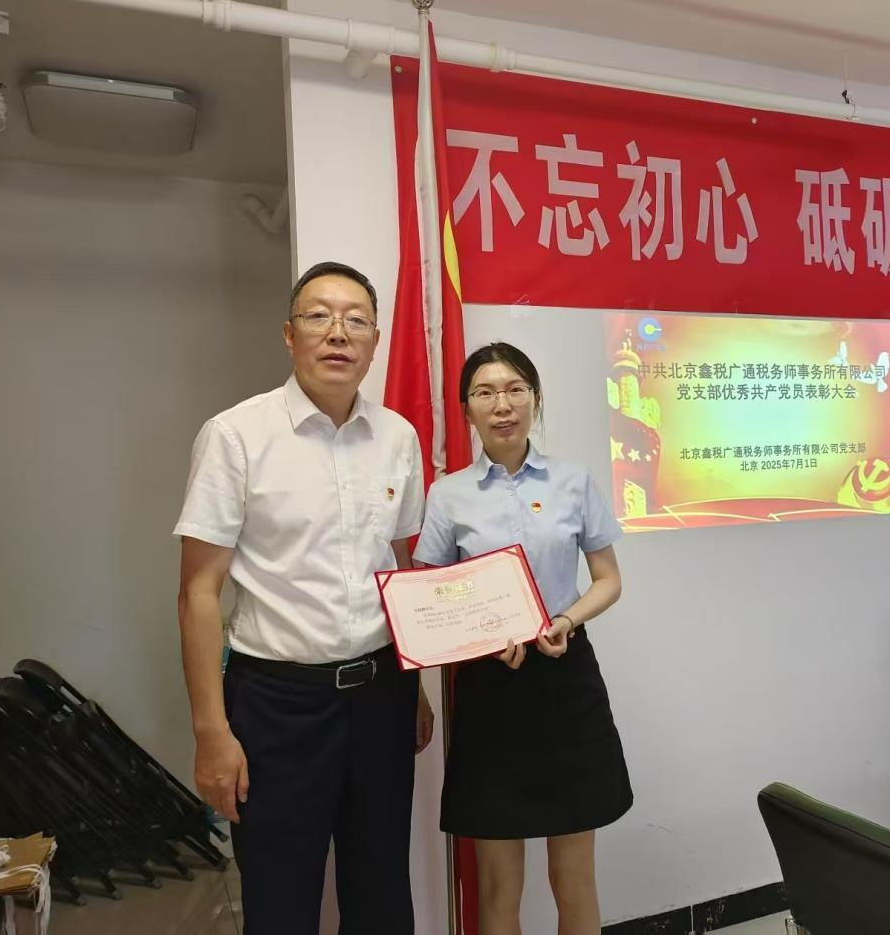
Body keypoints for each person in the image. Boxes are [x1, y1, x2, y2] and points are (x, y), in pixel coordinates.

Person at [174, 261, 433, 934]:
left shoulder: (399, 438)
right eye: (319, 316)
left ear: (374, 341)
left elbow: (399, 566)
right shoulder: (236, 436)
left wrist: (415, 684)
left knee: (382, 893)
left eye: (356, 320)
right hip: (277, 706)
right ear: (290, 335)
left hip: (382, 693)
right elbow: (198, 592)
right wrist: (211, 732)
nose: (338, 333)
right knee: (280, 900)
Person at [413, 342, 632, 935]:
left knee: (574, 880)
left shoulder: (573, 481)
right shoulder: (448, 495)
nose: (502, 405)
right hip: (490, 689)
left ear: (536, 398)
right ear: (467, 409)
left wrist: (567, 620)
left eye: (515, 389)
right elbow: (432, 600)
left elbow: (608, 580)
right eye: (485, 392)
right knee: (498, 886)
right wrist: (479, 637)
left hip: (566, 680)